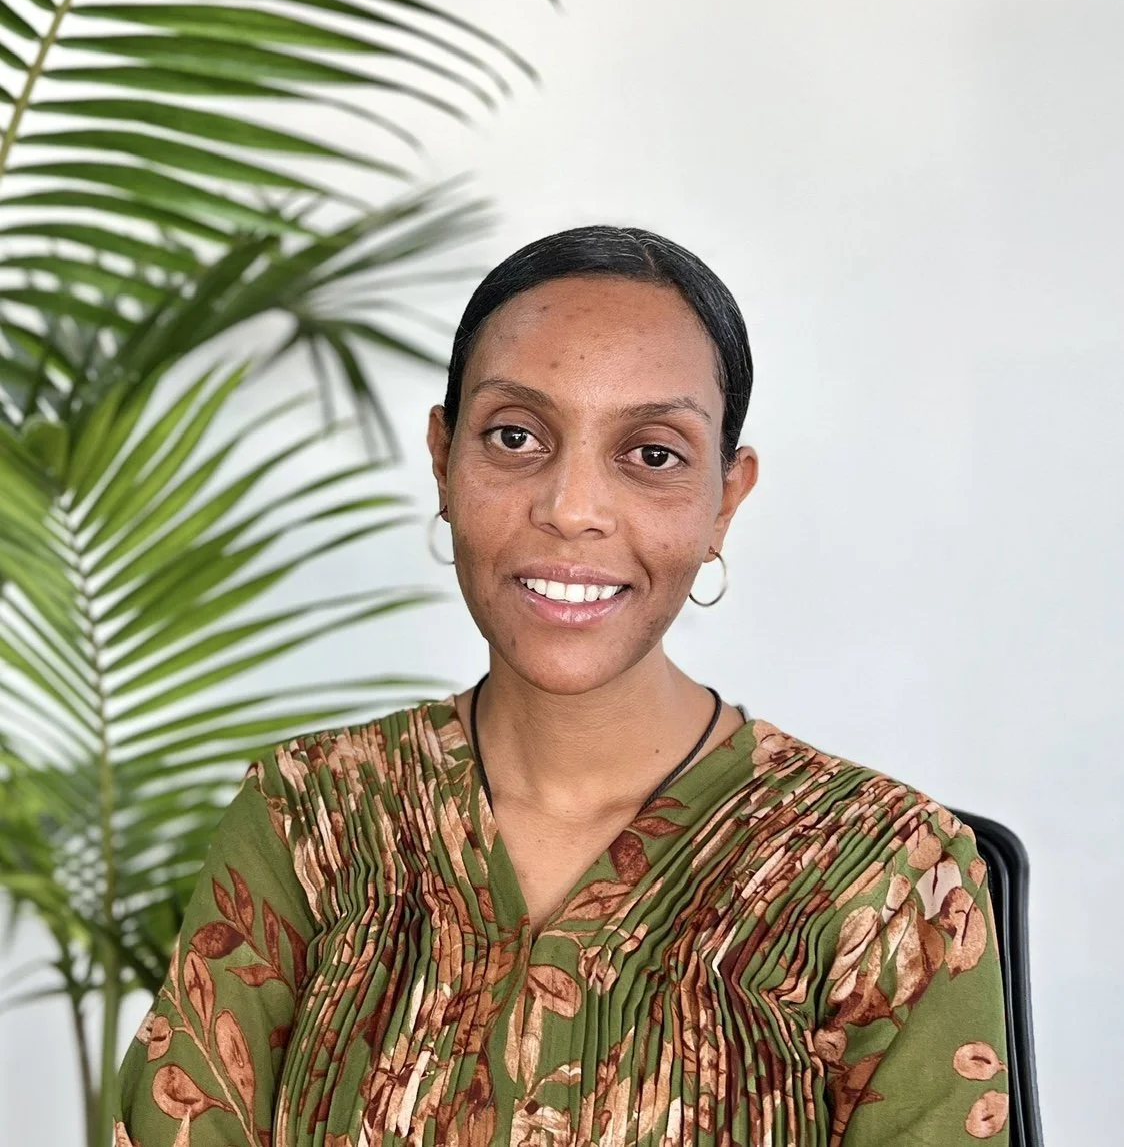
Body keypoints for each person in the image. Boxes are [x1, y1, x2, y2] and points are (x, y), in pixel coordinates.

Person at [113, 226, 1010, 1146]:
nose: (572, 508)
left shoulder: (890, 877)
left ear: (724, 500)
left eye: (652, 454)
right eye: (514, 436)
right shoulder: (313, 819)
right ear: (443, 461)